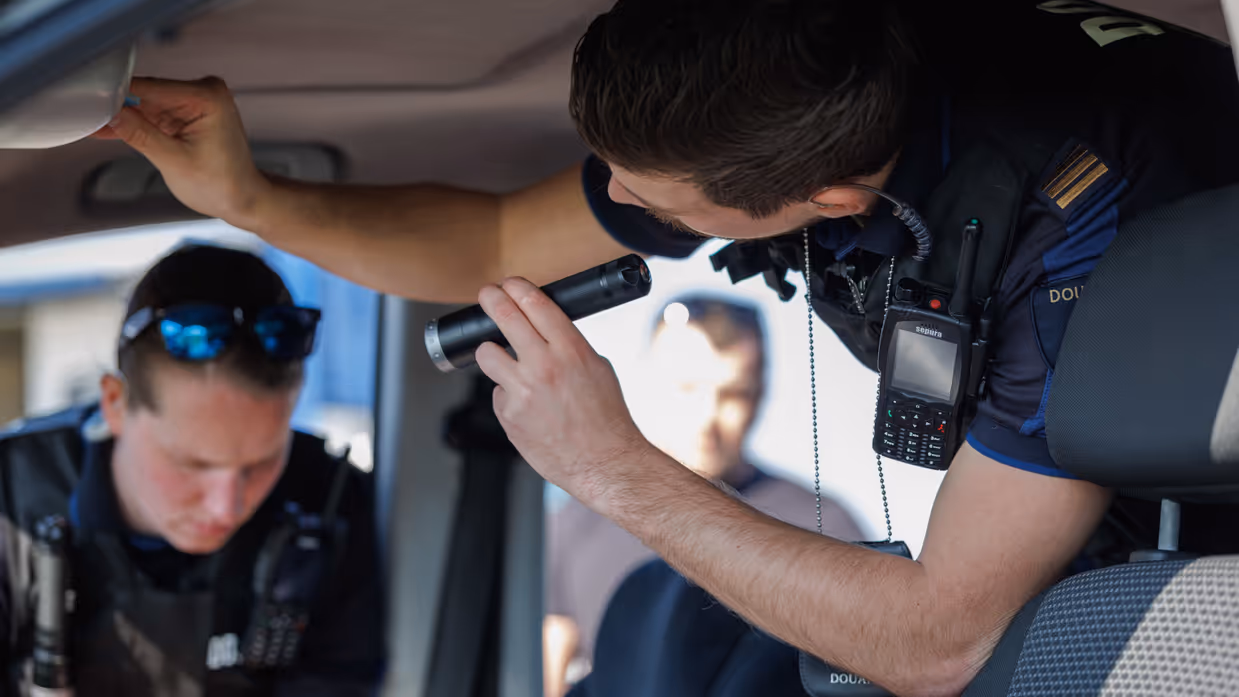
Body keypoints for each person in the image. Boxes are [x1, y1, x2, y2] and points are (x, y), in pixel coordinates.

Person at [97, 1, 1239, 692]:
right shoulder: (785, 89)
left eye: (670, 213)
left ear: (829, 198)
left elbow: (943, 638)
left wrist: (607, 467)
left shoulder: (1082, 227)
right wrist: (250, 197)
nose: (634, 214)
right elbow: (497, 235)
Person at [0, 245, 385, 696]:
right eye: (193, 464)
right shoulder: (12, 498)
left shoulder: (329, 499)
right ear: (115, 405)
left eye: (261, 463)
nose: (227, 506)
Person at [543, 296, 862, 697]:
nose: (708, 416)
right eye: (688, 387)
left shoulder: (823, 523)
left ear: (761, 393)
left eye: (733, 394)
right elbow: (549, 667)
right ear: (649, 382)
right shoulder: (577, 520)